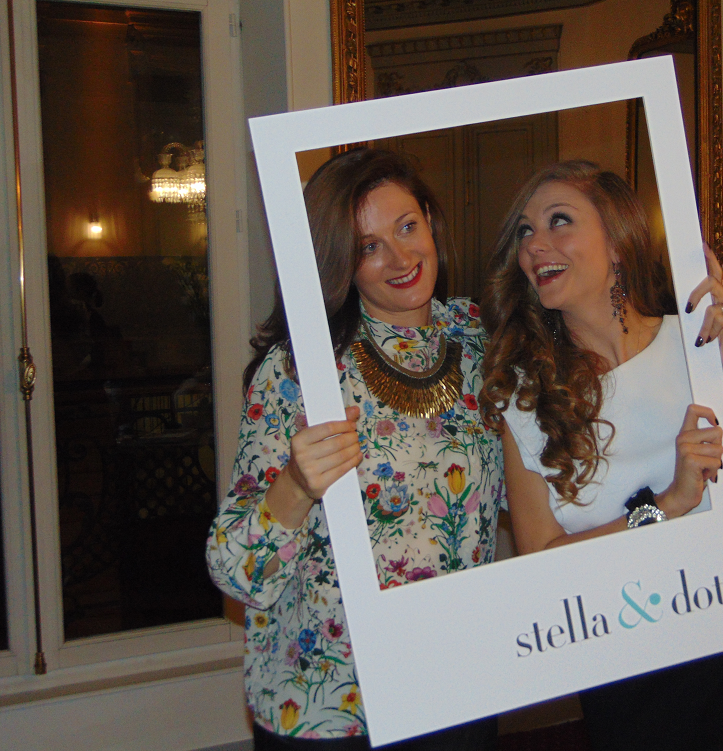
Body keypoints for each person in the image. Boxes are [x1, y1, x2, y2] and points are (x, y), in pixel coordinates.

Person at [479, 160, 723, 751]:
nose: (534, 245)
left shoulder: (697, 344)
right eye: (525, 231)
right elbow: (544, 564)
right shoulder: (525, 399)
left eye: (559, 221)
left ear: (617, 240)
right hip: (626, 653)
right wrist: (666, 504)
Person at [207, 148, 504, 749]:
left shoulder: (482, 341)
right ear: (341, 262)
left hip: (456, 686)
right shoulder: (300, 371)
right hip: (330, 705)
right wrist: (295, 487)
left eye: (407, 227)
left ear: (430, 221)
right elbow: (236, 573)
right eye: (369, 246)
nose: (400, 257)